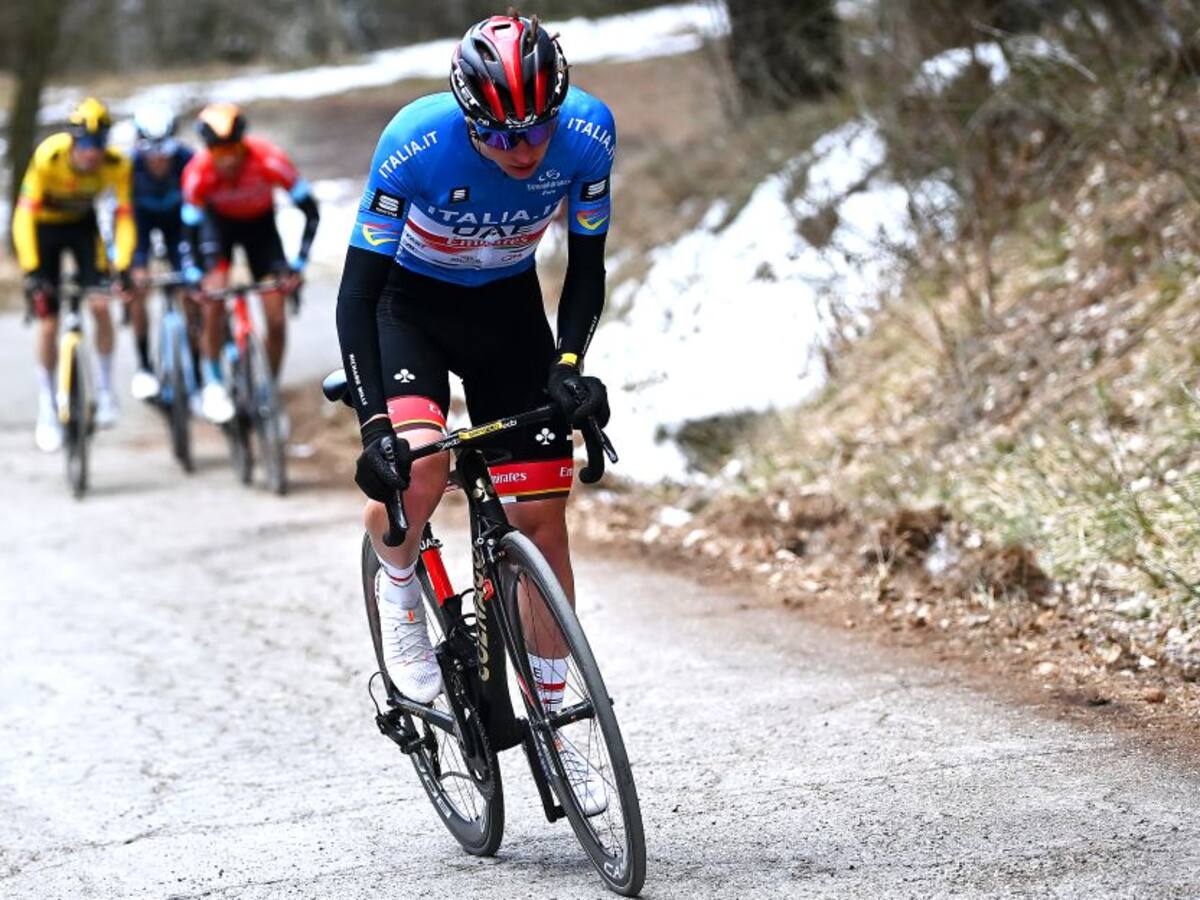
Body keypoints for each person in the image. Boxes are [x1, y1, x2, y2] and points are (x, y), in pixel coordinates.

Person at [335, 13, 613, 811]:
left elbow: (587, 267)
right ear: (468, 116)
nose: (525, 151)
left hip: (507, 310)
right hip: (407, 308)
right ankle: (399, 597)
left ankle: (560, 716)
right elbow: (357, 295)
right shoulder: (415, 143)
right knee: (421, 460)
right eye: (502, 135)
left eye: (538, 129)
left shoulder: (589, 134)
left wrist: (568, 367)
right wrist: (373, 426)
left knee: (541, 513)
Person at [181, 102, 318, 424]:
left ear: (243, 141)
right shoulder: (198, 171)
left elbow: (311, 211)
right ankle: (213, 381)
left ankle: (268, 390)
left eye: (233, 148)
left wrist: (298, 263)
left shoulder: (269, 159)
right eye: (218, 150)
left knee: (276, 317)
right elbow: (187, 230)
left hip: (261, 229)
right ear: (207, 148)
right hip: (218, 230)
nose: (227, 158)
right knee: (213, 297)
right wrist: (192, 272)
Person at [12, 97, 134, 451]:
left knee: (99, 304)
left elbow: (124, 217)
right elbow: (23, 215)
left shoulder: (115, 165)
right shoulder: (49, 157)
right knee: (48, 322)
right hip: (44, 231)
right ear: (73, 142)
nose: (92, 154)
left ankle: (108, 391)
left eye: (99, 145)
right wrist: (32, 268)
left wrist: (123, 263)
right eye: (85, 145)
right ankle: (47, 404)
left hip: (83, 230)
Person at [126, 104, 198, 401]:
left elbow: (200, 210)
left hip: (178, 224)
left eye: (164, 152)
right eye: (151, 152)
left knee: (190, 290)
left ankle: (198, 371)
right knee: (138, 285)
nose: (158, 159)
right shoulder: (129, 165)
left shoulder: (188, 160)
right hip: (139, 224)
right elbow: (118, 213)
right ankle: (144, 366)